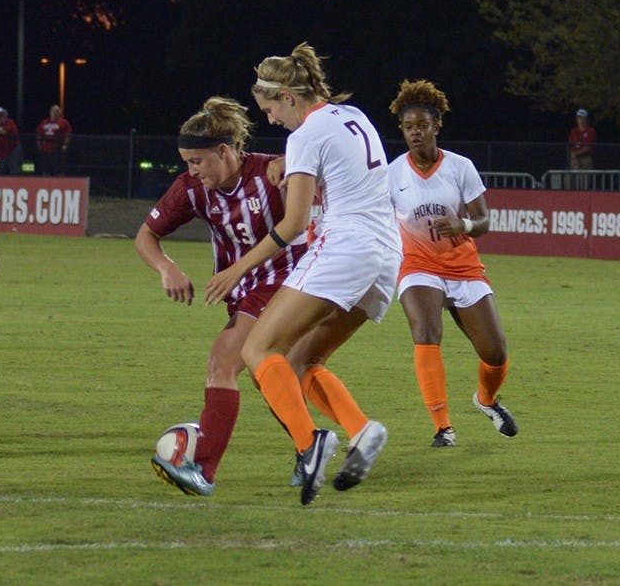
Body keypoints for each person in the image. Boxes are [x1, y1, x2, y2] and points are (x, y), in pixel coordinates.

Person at [205, 43, 399, 505]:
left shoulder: (304, 136)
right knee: (300, 361)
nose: (271, 119)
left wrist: (238, 268)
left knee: (257, 349)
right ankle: (361, 430)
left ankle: (310, 443)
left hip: (345, 247)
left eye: (271, 109)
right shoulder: (353, 116)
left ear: (289, 97)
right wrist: (287, 168)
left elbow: (292, 226)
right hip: (386, 254)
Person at [136, 96, 309, 496]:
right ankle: (312, 444)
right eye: (186, 162)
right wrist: (167, 268)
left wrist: (292, 167)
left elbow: (307, 183)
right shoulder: (191, 190)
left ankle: (204, 468)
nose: (191, 171)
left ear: (224, 151)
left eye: (197, 161)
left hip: (286, 278)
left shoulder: (270, 172)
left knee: (222, 361)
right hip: (244, 288)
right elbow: (146, 235)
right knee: (273, 376)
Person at [387, 79, 518, 448]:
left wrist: (464, 225)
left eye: (422, 126)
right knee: (427, 334)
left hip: (463, 266)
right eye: (408, 126)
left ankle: (487, 400)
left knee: (495, 353)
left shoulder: (460, 167)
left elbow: (484, 222)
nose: (415, 133)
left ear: (436, 126)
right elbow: (380, 223)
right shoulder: (392, 173)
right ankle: (443, 427)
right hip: (417, 265)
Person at [35, 104, 72, 176]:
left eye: (57, 111)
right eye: (53, 111)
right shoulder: (44, 122)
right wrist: (39, 144)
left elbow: (68, 134)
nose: (55, 113)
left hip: (57, 150)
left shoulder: (64, 122)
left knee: (58, 170)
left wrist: (65, 145)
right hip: (45, 149)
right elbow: (39, 133)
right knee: (45, 169)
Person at [0, 106, 22, 175]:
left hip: (13, 150)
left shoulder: (10, 122)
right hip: (2, 152)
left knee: (15, 170)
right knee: (0, 171)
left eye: (1, 115)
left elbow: (5, 131)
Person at [568, 108, 596, 189]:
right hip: (574, 158)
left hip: (586, 158)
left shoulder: (591, 131)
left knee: (585, 182)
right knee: (572, 181)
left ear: (586, 119)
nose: (580, 120)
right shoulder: (574, 131)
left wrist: (576, 154)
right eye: (578, 118)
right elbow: (570, 145)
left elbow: (588, 147)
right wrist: (573, 156)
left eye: (582, 117)